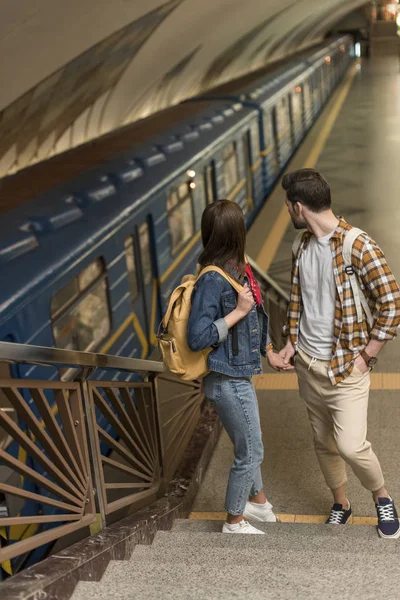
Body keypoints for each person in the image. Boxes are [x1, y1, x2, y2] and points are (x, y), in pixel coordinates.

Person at [275, 168, 400, 539]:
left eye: (288, 207)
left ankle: (382, 496)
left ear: (299, 207)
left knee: (351, 445)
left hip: (346, 369)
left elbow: (392, 303)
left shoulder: (356, 246)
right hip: (307, 366)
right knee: (324, 442)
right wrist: (290, 343)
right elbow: (298, 302)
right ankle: (341, 504)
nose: (287, 213)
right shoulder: (300, 248)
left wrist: (366, 356)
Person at [187, 199, 282, 534]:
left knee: (251, 444)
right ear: (235, 233)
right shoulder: (212, 280)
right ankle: (234, 521)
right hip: (226, 379)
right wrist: (237, 312)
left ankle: (258, 503)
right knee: (251, 450)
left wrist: (268, 349)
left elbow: (256, 314)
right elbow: (197, 337)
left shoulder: (237, 266)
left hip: (240, 374)